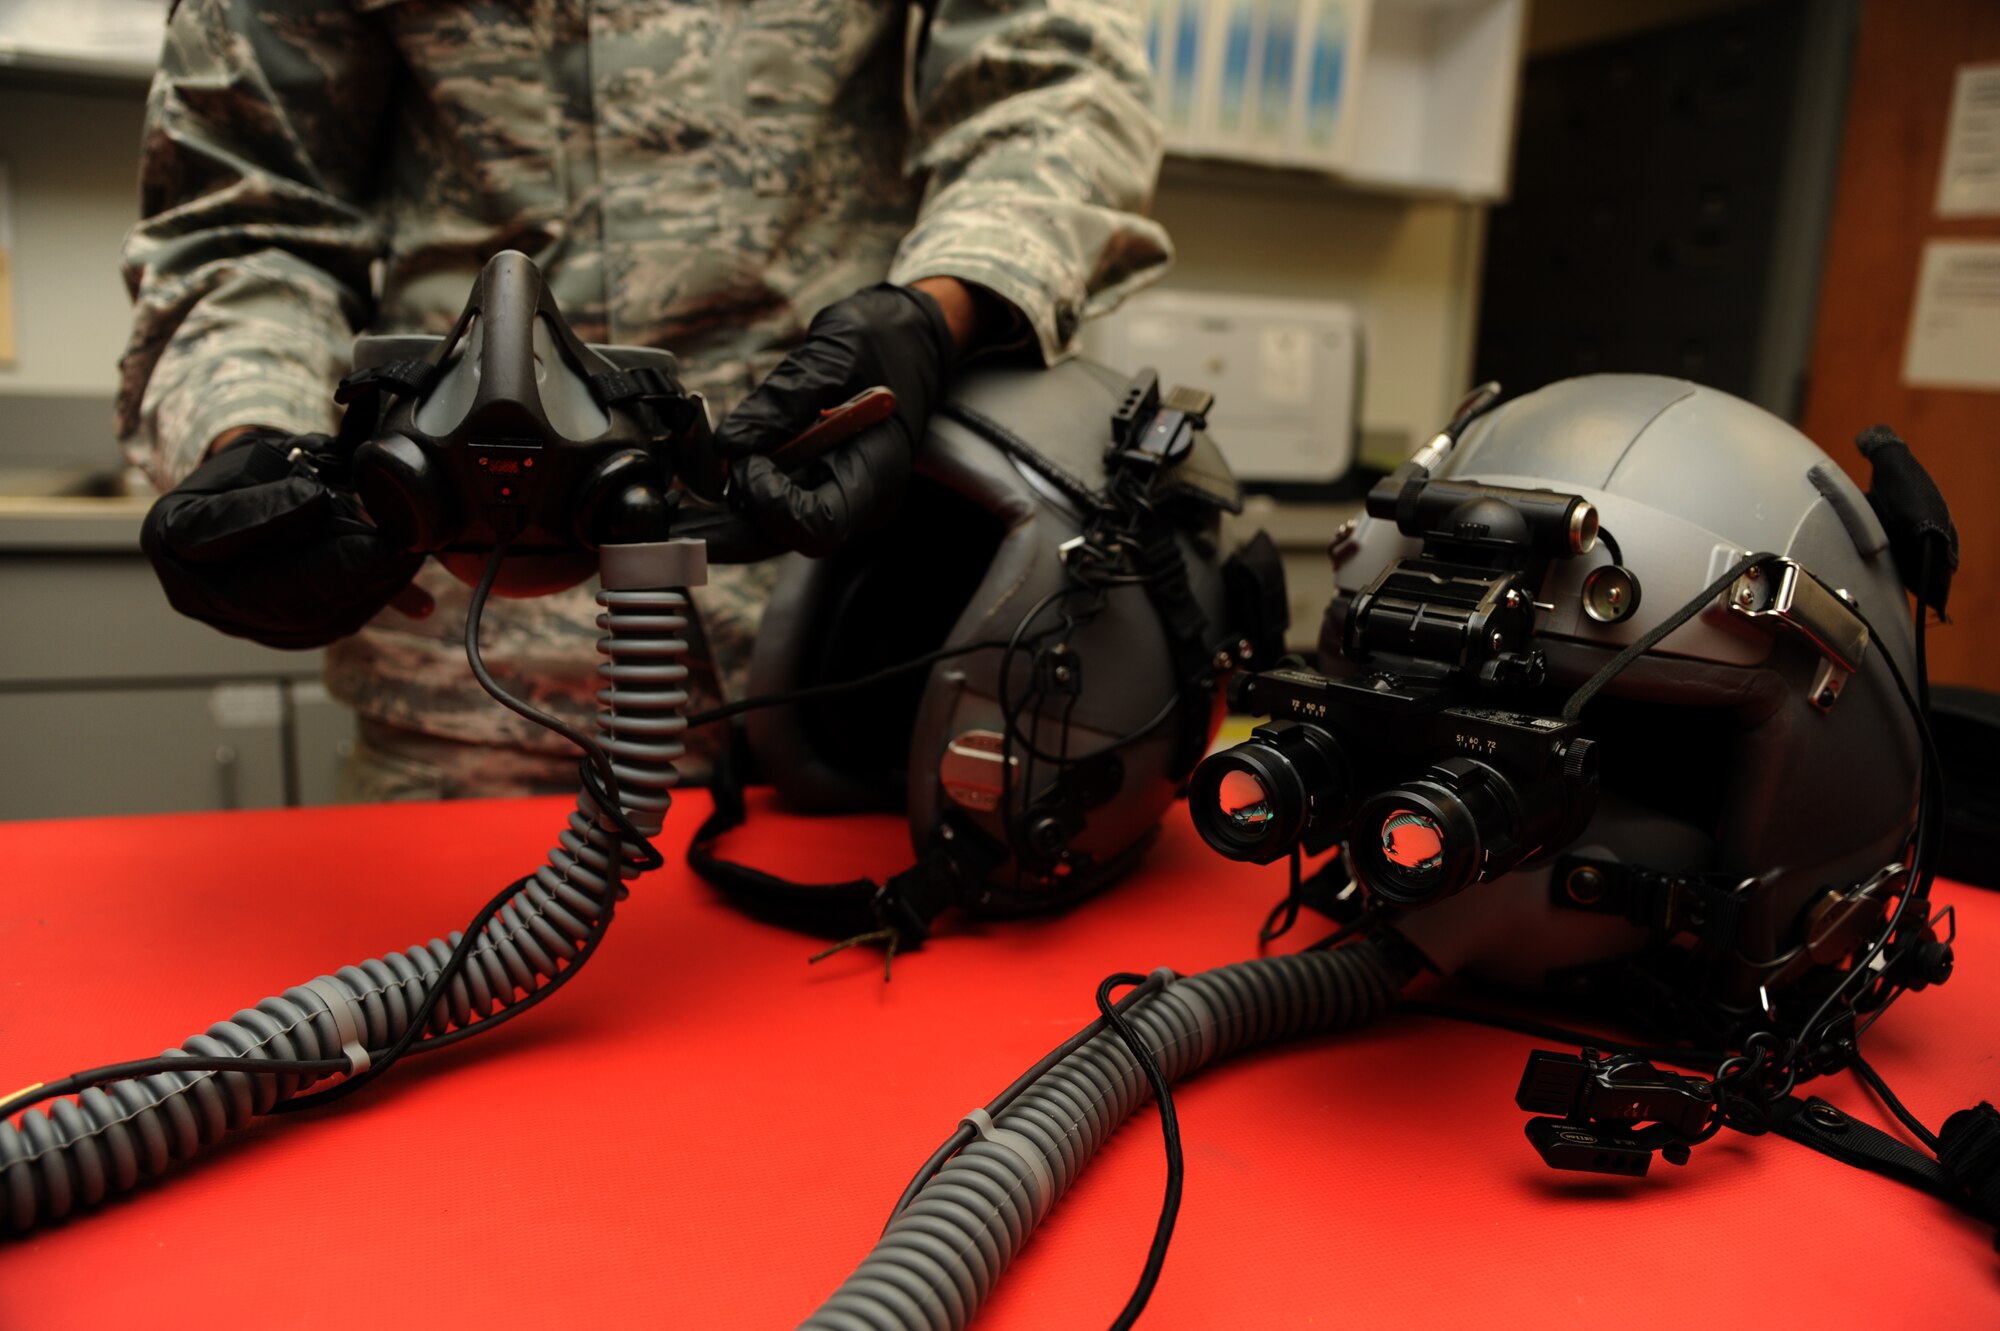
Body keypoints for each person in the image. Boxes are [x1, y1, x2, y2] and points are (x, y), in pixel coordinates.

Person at [120, 0, 1172, 798]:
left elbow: (1055, 87)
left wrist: (936, 312)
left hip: (851, 623)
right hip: (473, 670)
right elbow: (246, 211)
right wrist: (248, 437)